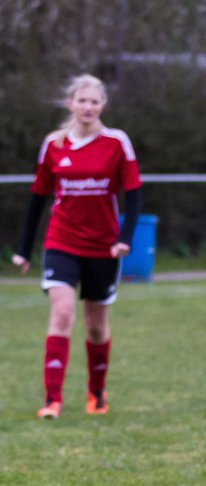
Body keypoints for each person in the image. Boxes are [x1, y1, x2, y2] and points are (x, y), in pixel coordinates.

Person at [11, 73, 142, 419]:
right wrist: (24, 248)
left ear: (103, 105)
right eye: (81, 100)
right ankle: (52, 400)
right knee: (63, 312)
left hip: (103, 247)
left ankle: (96, 394)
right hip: (62, 241)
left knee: (96, 325)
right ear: (70, 104)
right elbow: (39, 197)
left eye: (94, 101)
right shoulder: (54, 144)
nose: (88, 107)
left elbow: (133, 193)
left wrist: (124, 238)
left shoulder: (117, 142)